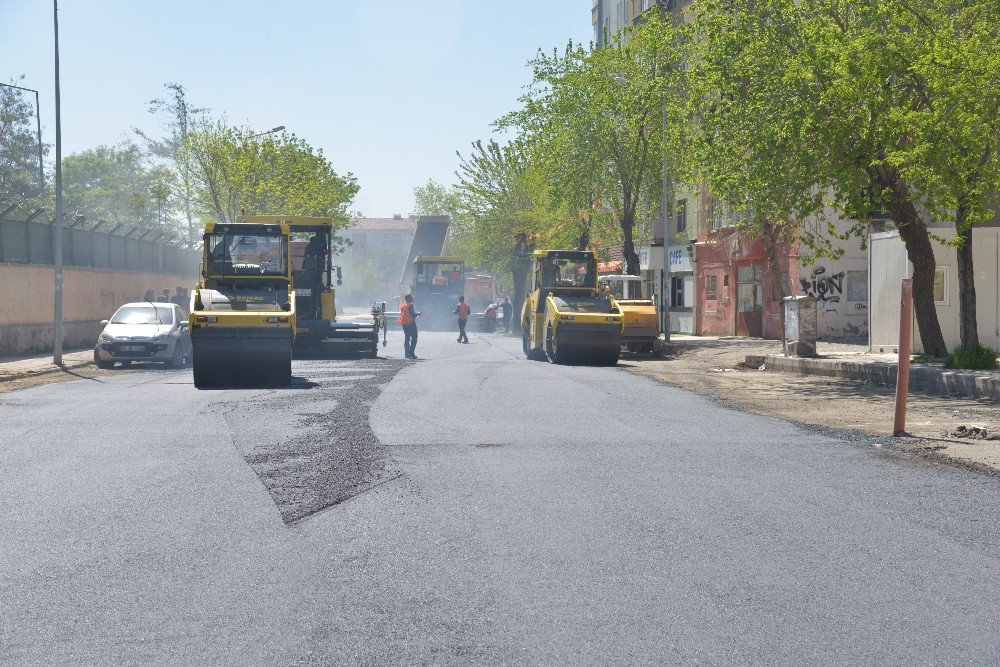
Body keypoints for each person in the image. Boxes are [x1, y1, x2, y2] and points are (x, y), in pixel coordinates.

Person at [397, 294, 420, 359]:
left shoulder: (403, 306)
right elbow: (412, 314)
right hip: (411, 324)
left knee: (407, 338)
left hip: (404, 324)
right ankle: (411, 353)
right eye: (411, 297)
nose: (412, 298)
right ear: (407, 299)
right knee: (414, 338)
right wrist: (418, 314)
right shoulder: (410, 305)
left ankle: (407, 354)